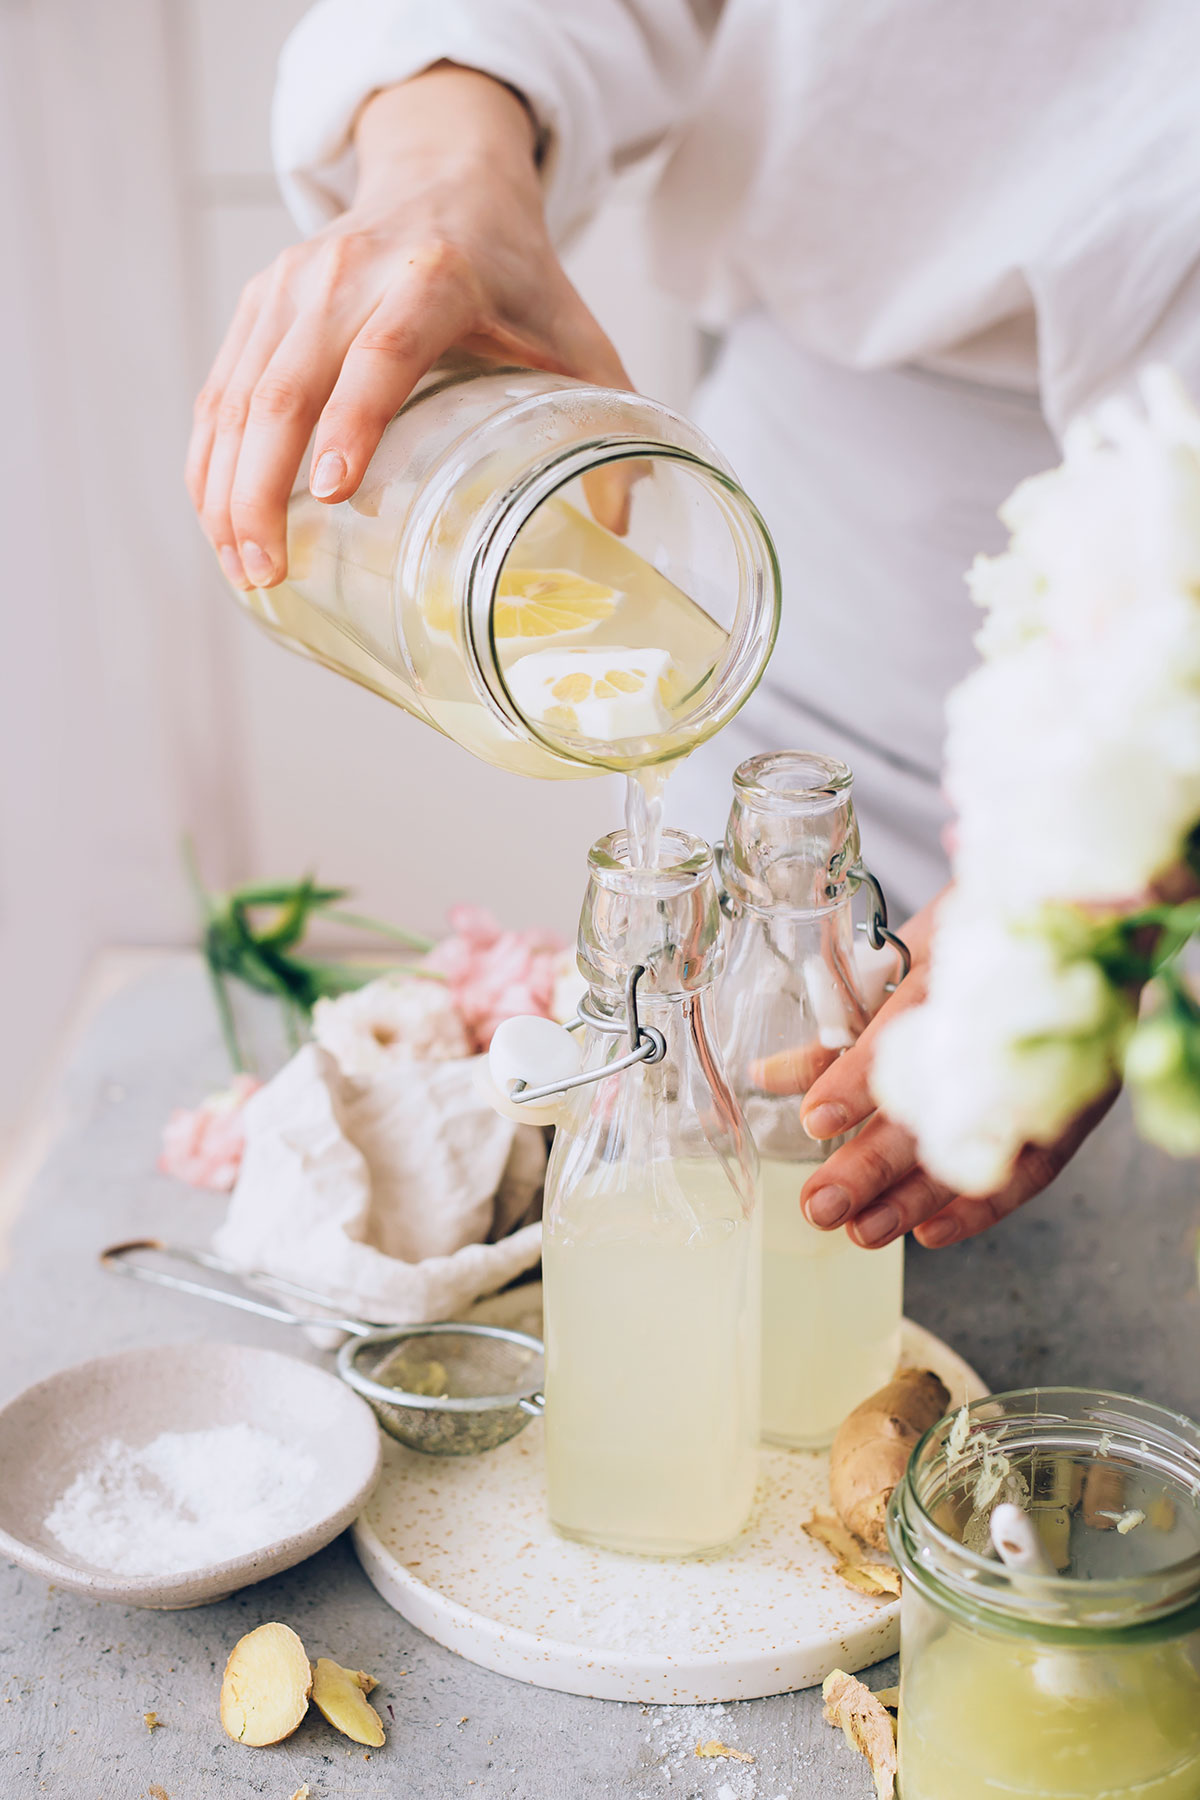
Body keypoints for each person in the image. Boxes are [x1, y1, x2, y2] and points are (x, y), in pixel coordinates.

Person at [186, 2, 1200, 1253]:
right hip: (815, 528)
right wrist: (449, 165)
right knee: (821, 1135)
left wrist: (1130, 883)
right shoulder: (715, 611)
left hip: (1158, 635)